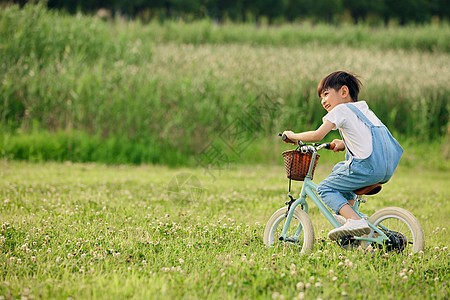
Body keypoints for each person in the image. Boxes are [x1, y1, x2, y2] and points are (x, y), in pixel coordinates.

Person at [282, 71, 403, 241]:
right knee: (340, 168)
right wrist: (344, 143)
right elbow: (367, 138)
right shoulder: (364, 110)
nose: (323, 101)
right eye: (320, 98)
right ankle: (351, 217)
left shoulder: (340, 110)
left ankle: (354, 220)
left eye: (326, 94)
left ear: (344, 92)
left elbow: (317, 135)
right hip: (384, 166)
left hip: (366, 166)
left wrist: (293, 135)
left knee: (325, 188)